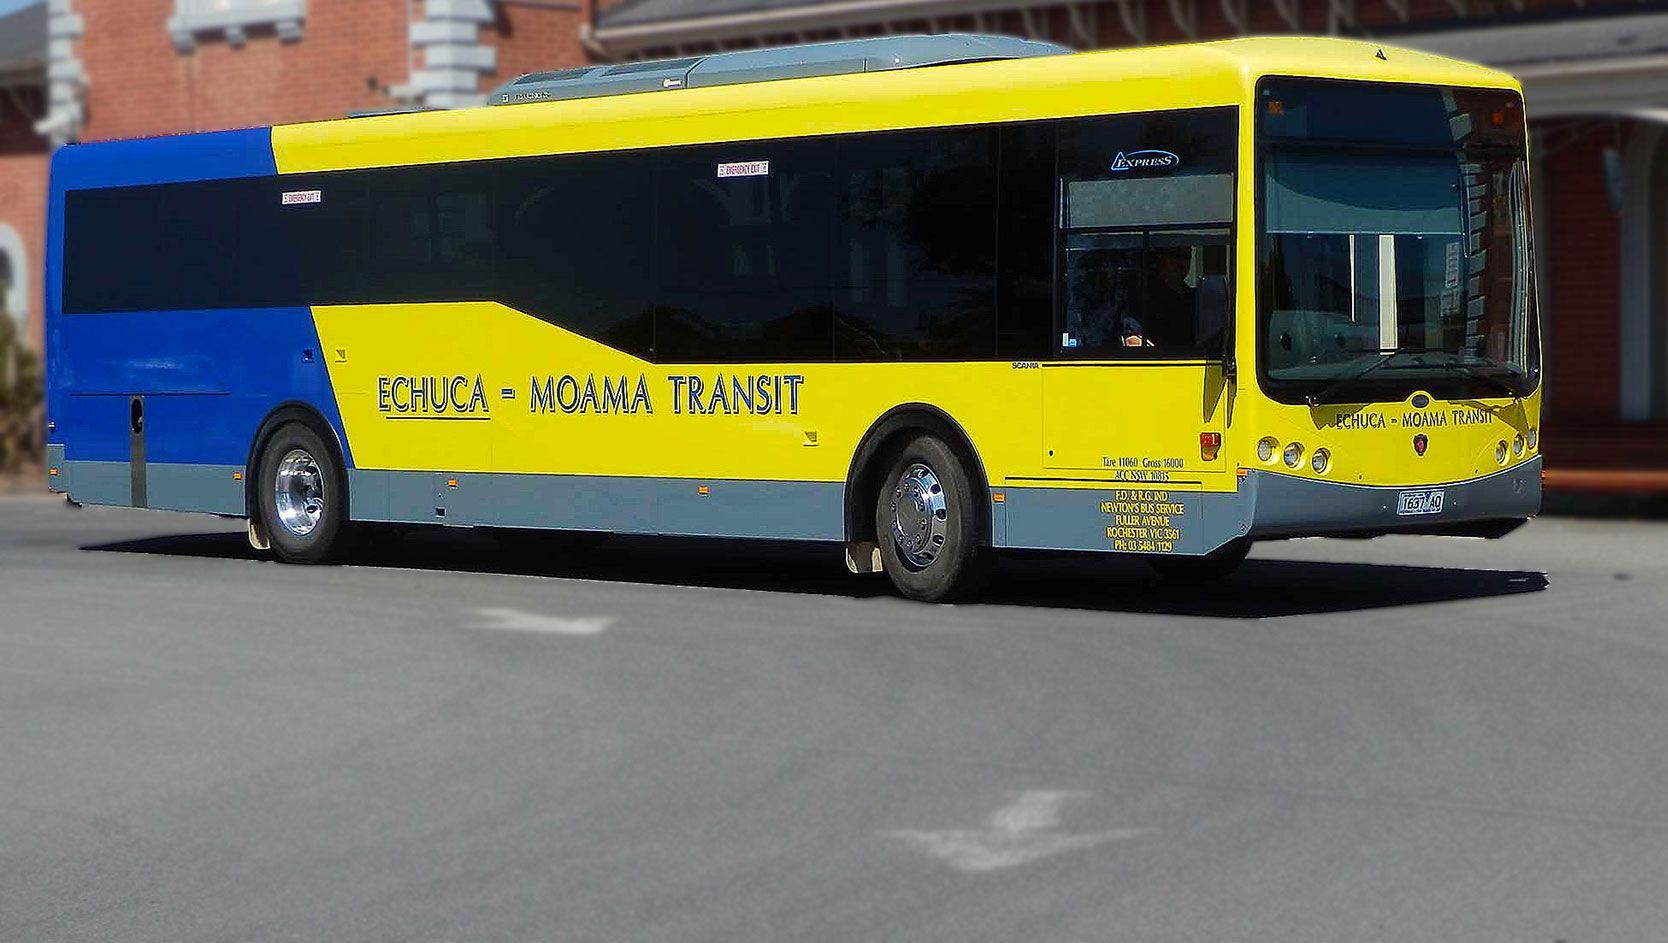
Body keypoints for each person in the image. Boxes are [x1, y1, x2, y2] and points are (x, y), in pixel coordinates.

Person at [1121, 246, 1196, 348]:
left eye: (1187, 257)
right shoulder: (1142, 295)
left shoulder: (1193, 297)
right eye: (1175, 256)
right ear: (1160, 258)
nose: (1181, 263)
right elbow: (1132, 338)